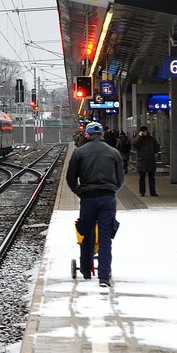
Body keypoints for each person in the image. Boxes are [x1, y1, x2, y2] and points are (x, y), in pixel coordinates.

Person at [65, 121, 124, 288]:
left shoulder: (79, 152)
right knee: (105, 238)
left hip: (88, 199)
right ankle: (104, 276)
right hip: (108, 199)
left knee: (86, 233)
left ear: (87, 134)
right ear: (103, 134)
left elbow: (70, 178)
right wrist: (111, 190)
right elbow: (120, 179)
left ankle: (85, 270)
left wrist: (79, 191)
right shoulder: (114, 152)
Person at [131, 125, 161, 197]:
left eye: (146, 131)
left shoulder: (152, 139)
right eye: (143, 132)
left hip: (151, 161)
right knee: (142, 178)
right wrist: (140, 137)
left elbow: (157, 146)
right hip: (142, 161)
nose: (145, 132)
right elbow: (135, 144)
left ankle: (152, 192)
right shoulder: (138, 140)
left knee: (152, 178)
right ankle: (142, 192)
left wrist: (155, 150)